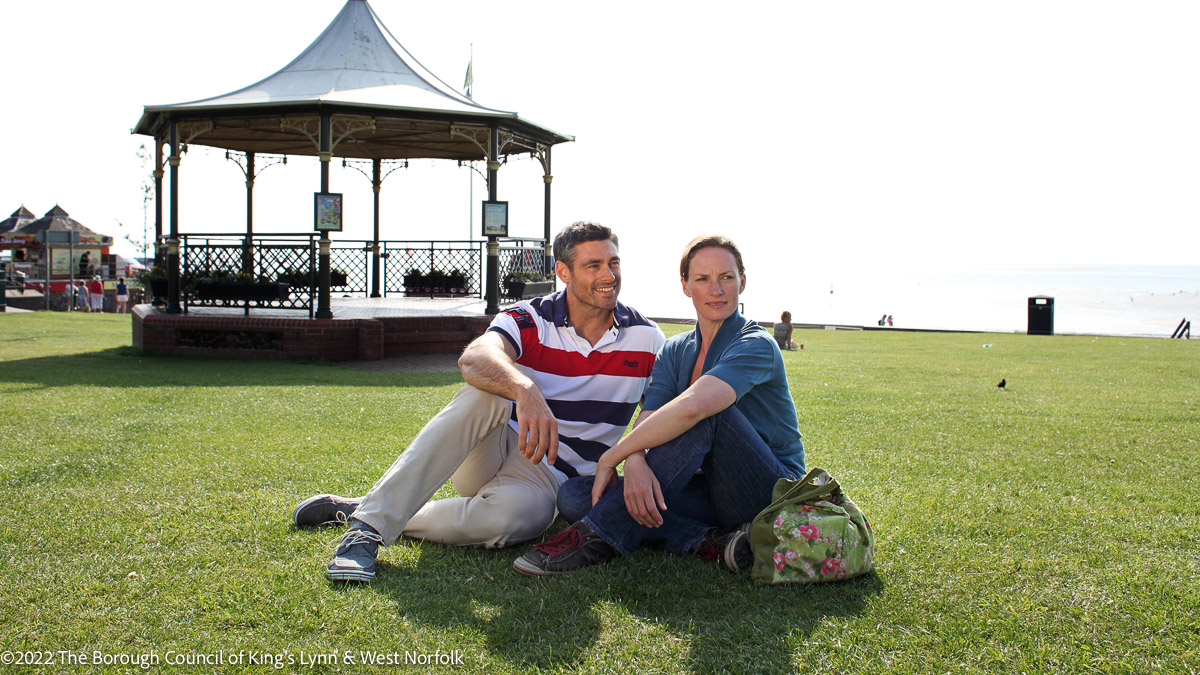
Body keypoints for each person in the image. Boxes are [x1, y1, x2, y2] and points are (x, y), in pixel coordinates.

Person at [293, 222, 665, 582]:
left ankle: (364, 508)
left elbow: (658, 412)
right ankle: (367, 531)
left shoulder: (646, 337)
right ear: (563, 272)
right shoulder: (529, 317)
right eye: (594, 265)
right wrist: (525, 389)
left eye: (613, 263)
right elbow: (474, 358)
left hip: (550, 481)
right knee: (485, 390)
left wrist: (635, 458)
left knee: (510, 522)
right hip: (499, 448)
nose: (609, 275)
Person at [514, 235, 805, 576]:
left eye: (726, 277)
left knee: (710, 415)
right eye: (702, 279)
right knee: (576, 495)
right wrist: (636, 460)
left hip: (769, 491)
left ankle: (593, 537)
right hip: (707, 489)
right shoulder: (675, 348)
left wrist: (613, 456)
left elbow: (694, 408)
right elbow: (650, 413)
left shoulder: (756, 344)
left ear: (742, 281)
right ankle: (712, 540)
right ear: (685, 286)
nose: (716, 290)